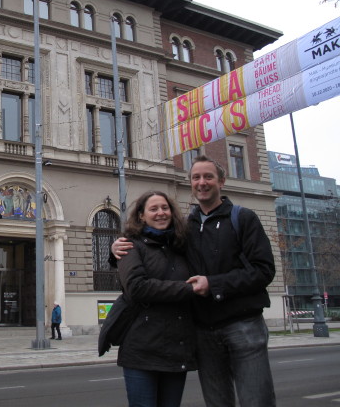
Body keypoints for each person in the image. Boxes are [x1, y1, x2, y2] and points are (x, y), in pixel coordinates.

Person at [112, 156, 276, 407]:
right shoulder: (186, 228)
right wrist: (116, 252)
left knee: (257, 401)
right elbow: (153, 252)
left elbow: (264, 271)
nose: (202, 182)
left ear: (221, 181)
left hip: (243, 326)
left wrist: (213, 284)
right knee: (217, 402)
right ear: (190, 183)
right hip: (203, 331)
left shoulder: (243, 218)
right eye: (196, 178)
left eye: (208, 176)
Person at [114, 190, 198, 407]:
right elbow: (137, 288)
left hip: (176, 349)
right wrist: (188, 289)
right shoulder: (130, 244)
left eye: (165, 208)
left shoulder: (182, 245)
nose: (161, 213)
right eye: (153, 209)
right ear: (141, 215)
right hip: (141, 350)